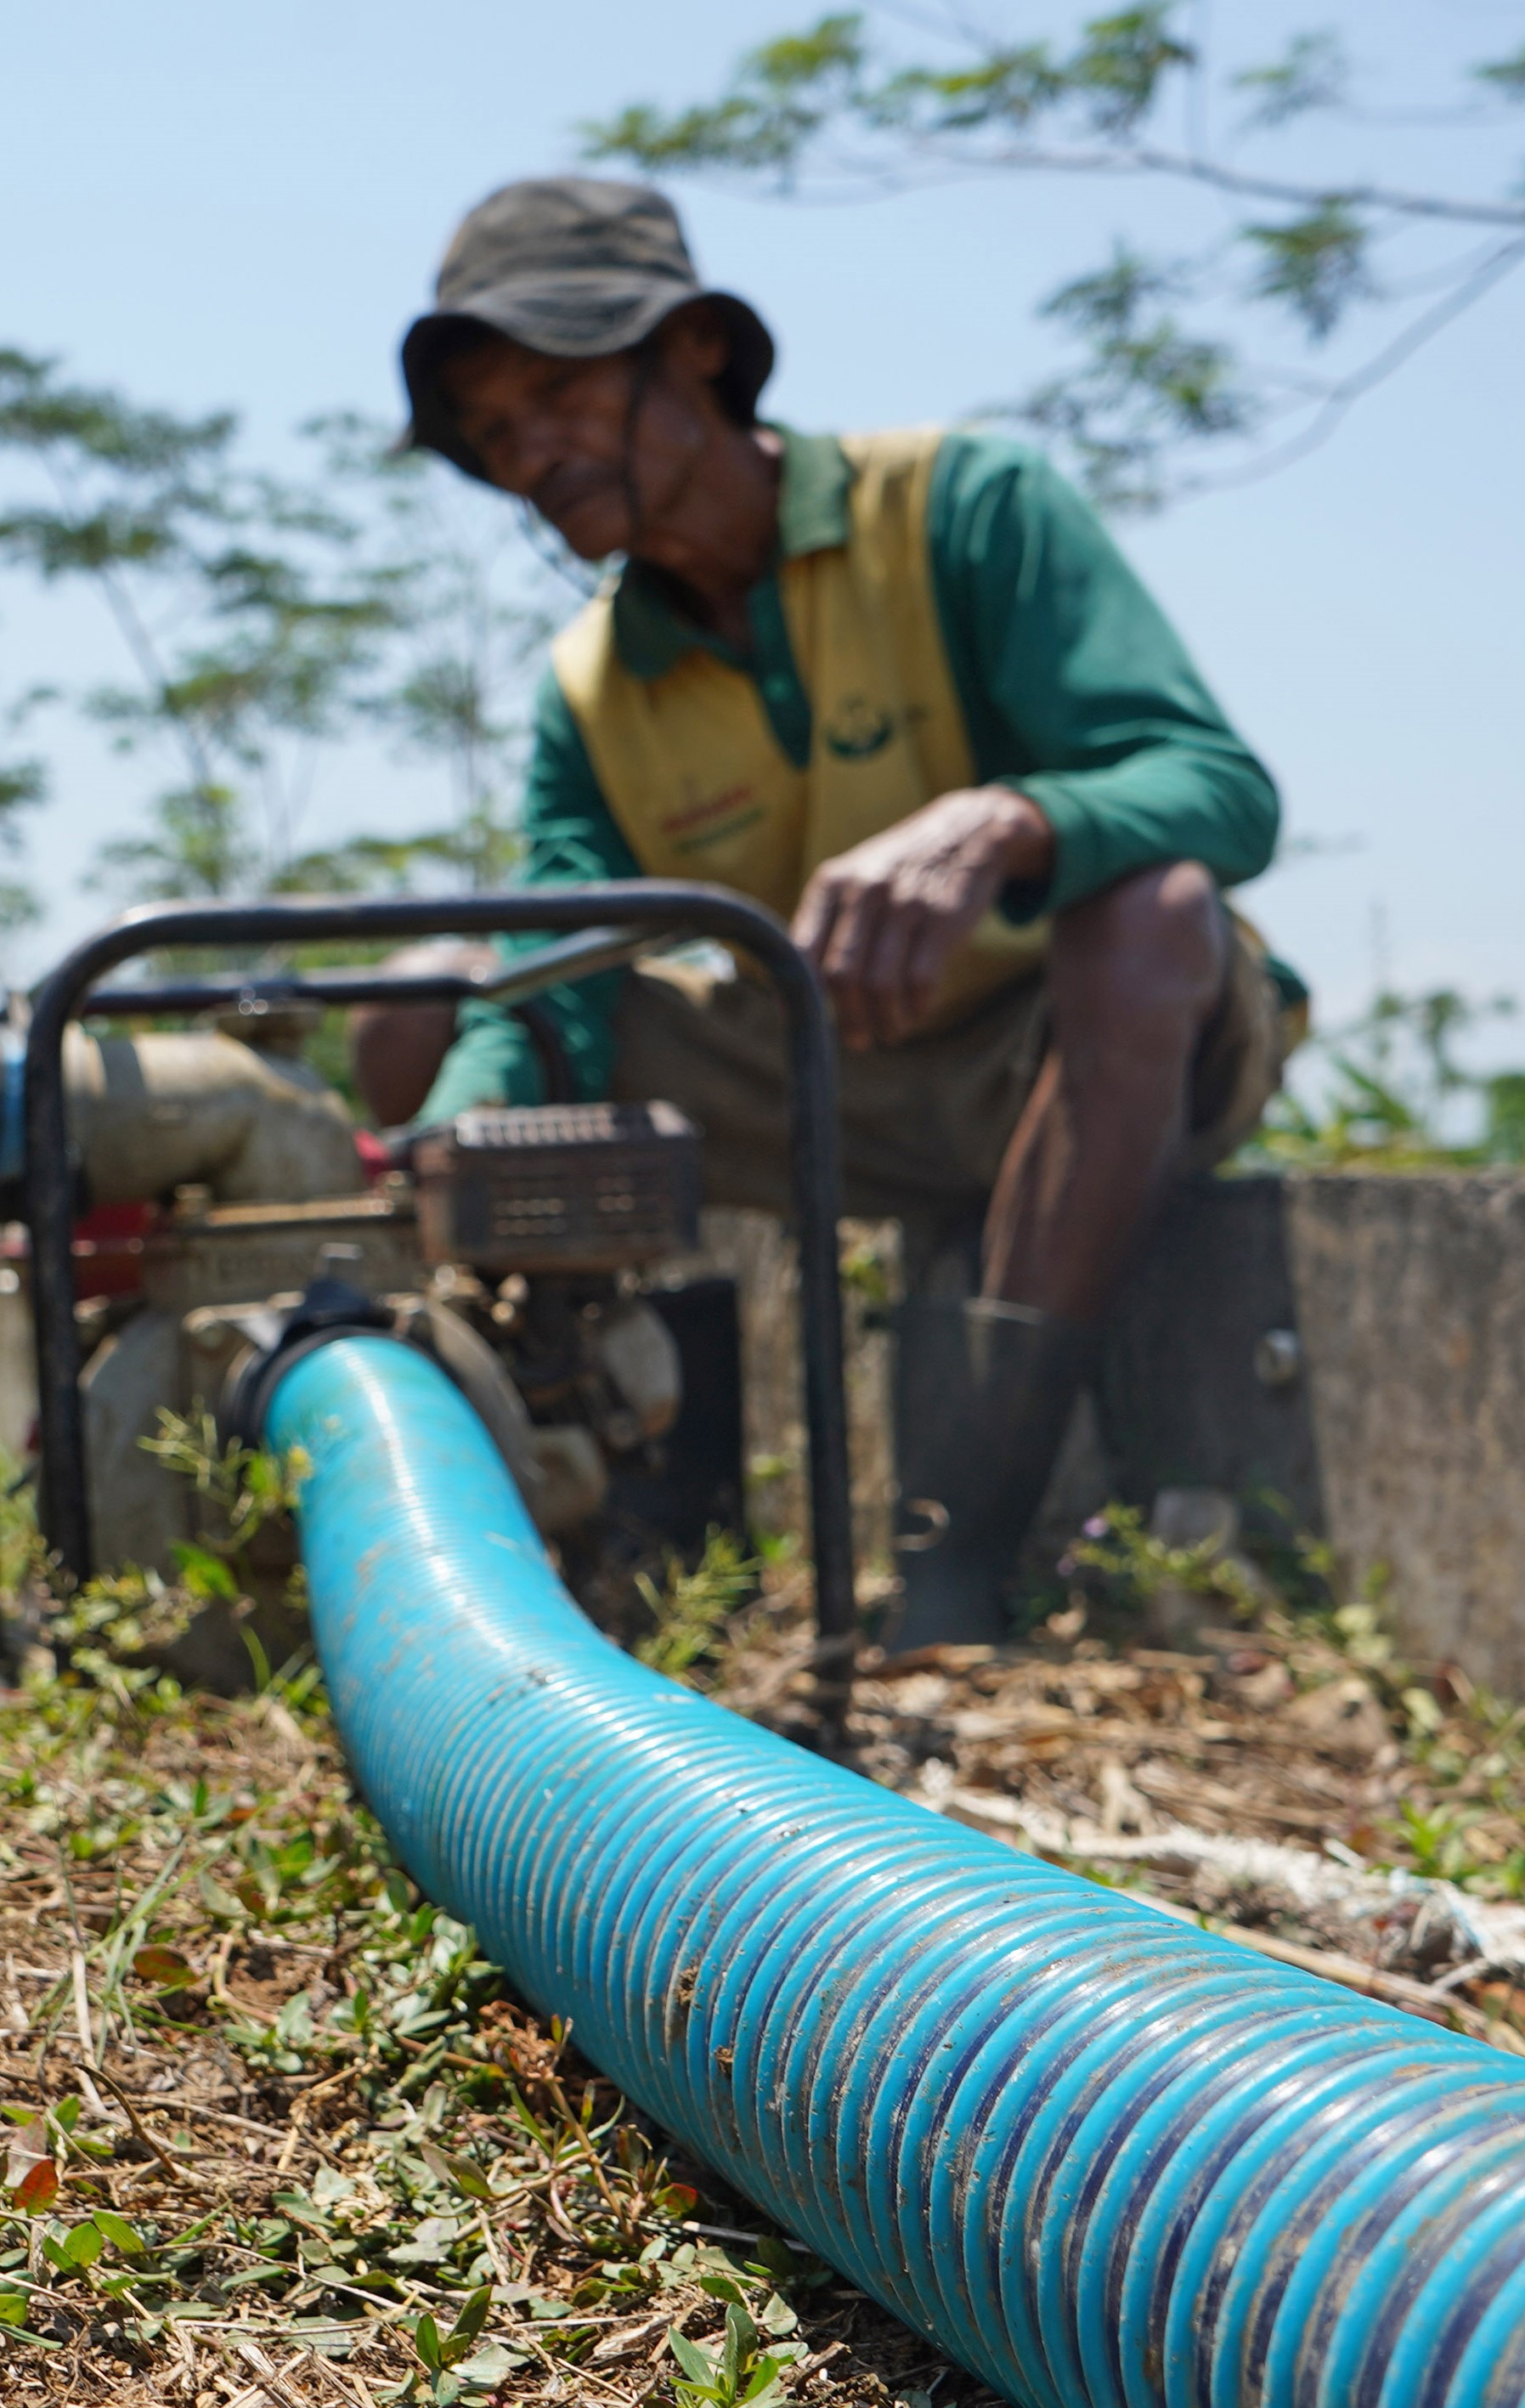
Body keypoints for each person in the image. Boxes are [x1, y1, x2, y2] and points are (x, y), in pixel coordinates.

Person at [386, 176, 1296, 1645]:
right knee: (426, 1004)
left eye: (555, 393)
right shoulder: (586, 690)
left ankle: (959, 1552)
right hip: (827, 1078)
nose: (532, 456)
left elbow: (1224, 791)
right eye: (495, 438)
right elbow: (558, 972)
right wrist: (436, 1153)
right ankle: (598, 1534)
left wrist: (1006, 820)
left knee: (1154, 909)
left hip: (1073, 1059)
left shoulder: (962, 512)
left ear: (695, 351)